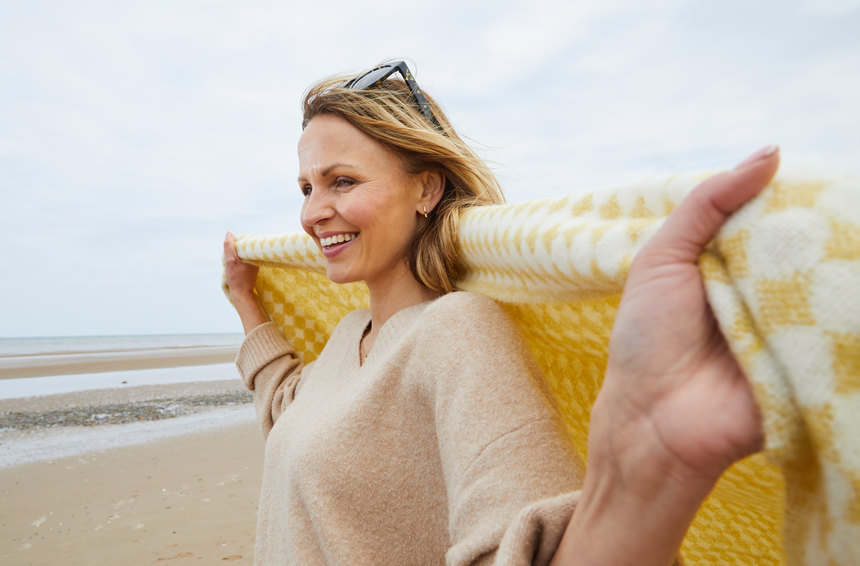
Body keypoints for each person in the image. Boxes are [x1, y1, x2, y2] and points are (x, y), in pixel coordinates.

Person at [223, 61, 778, 566]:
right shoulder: (350, 337)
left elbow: (529, 549)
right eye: (306, 187)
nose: (313, 212)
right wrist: (246, 299)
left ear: (426, 187)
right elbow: (288, 412)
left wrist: (653, 473)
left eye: (342, 181)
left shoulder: (457, 330)